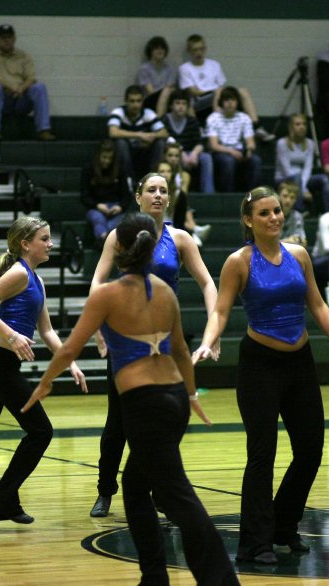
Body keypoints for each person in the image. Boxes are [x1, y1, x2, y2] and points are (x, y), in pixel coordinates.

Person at [22, 212, 244, 586]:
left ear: (120, 248)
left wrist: (44, 383)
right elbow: (178, 350)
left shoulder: (106, 293)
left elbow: (71, 347)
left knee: (177, 496)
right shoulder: (165, 290)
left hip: (145, 405)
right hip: (174, 399)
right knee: (135, 487)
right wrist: (191, 397)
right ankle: (154, 582)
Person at [192, 186, 329, 564]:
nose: (274, 217)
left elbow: (318, 306)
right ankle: (254, 543)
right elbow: (221, 312)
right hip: (259, 365)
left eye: (277, 211)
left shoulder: (300, 255)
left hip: (300, 361)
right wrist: (209, 342)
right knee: (263, 454)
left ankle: (283, 525)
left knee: (310, 451)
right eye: (264, 213)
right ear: (248, 220)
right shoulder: (238, 262)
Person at [89, 172, 218, 519]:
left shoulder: (180, 238)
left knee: (166, 418)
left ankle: (161, 487)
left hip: (167, 339)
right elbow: (97, 281)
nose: (159, 195)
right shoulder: (120, 236)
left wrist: (213, 328)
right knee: (118, 421)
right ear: (138, 197)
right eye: (152, 190)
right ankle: (105, 490)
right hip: (126, 339)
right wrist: (99, 327)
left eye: (164, 190)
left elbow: (207, 283)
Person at [0, 217, 87, 524]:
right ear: (26, 244)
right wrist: (12, 335)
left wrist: (72, 363)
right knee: (40, 431)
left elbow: (48, 332)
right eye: (44, 238)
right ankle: (2, 501)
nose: (50, 244)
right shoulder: (17, 273)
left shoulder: (36, 280)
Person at [178, 33, 271, 140]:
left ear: (205, 49)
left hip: (217, 97)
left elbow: (222, 87)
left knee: (243, 91)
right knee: (218, 90)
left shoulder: (214, 65)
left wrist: (218, 93)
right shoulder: (185, 68)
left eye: (201, 49)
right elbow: (192, 91)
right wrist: (215, 91)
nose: (199, 52)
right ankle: (212, 123)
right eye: (195, 50)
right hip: (198, 102)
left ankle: (256, 126)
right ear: (189, 51)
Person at [0, 24, 54, 142]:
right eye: (3, 37)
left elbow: (31, 78)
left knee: (39, 87)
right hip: (3, 100)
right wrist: (9, 86)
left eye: (9, 37)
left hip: (21, 99)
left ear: (14, 39)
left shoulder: (23, 56)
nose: (6, 40)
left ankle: (43, 130)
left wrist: (21, 88)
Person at [274, 112, 329, 214]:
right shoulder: (282, 143)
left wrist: (303, 187)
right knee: (297, 177)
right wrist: (303, 190)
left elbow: (308, 167)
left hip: (302, 179)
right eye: (297, 124)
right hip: (283, 178)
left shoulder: (310, 143)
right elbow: (286, 170)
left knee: (324, 179)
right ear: (291, 127)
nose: (301, 127)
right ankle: (299, 211)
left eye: (304, 124)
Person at [206, 86, 261, 192]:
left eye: (233, 100)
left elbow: (251, 143)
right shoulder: (213, 118)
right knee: (228, 161)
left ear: (237, 102)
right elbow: (214, 145)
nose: (230, 103)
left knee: (255, 161)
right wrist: (231, 152)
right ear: (221, 102)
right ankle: (228, 195)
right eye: (226, 100)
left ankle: (253, 196)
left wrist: (248, 150)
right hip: (221, 152)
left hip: (239, 151)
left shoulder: (244, 118)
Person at [109, 84, 168, 184]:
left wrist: (150, 136)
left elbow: (164, 133)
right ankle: (129, 180)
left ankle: (153, 178)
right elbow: (113, 132)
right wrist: (140, 135)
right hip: (124, 152)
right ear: (126, 101)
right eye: (132, 101)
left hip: (144, 150)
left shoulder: (148, 113)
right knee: (121, 143)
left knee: (160, 142)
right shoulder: (118, 112)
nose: (135, 105)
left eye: (138, 101)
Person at [80, 139, 131, 246]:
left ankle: (103, 241)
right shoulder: (88, 169)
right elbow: (84, 196)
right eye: (104, 157)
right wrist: (97, 205)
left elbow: (127, 196)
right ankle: (106, 241)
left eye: (110, 158)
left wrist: (120, 207)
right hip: (96, 207)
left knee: (113, 224)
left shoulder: (120, 169)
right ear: (98, 156)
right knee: (97, 219)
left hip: (116, 207)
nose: (107, 161)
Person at [161, 89, 212, 192]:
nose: (181, 106)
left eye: (184, 104)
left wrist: (194, 154)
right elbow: (165, 141)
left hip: (189, 153)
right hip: (172, 153)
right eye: (177, 103)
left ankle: (208, 192)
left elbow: (200, 143)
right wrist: (181, 153)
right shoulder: (165, 120)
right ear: (171, 105)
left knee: (206, 158)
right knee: (174, 156)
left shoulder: (192, 121)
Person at [135, 35, 175, 117]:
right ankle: (158, 119)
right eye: (156, 48)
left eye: (162, 48)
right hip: (150, 100)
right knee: (167, 90)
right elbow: (150, 91)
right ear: (150, 51)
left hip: (167, 99)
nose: (160, 51)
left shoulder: (169, 69)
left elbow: (171, 88)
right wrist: (165, 93)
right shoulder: (144, 69)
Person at [277, 181, 307, 247]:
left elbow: (303, 243)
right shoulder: (271, 215)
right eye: (285, 196)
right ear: (278, 196)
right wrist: (288, 241)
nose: (288, 200)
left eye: (292, 197)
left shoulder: (297, 216)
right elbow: (266, 245)